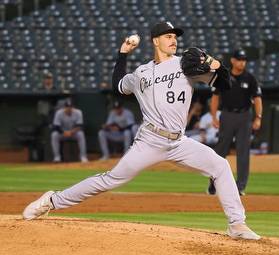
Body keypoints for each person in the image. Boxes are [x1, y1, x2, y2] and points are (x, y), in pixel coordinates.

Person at [22, 21, 260, 240]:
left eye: (175, 36)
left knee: (220, 166)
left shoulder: (186, 65)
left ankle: (237, 224)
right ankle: (51, 200)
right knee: (110, 180)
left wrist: (217, 66)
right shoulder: (140, 73)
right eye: (168, 36)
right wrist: (122, 54)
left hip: (179, 142)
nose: (173, 39)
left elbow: (225, 85)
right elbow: (118, 85)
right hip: (149, 140)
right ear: (155, 40)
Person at [207, 48, 263, 196]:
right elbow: (215, 97)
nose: (242, 63)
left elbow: (257, 99)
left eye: (244, 60)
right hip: (227, 115)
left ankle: (241, 187)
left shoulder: (250, 78)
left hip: (244, 116)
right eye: (239, 59)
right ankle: (213, 183)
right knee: (220, 151)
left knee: (243, 152)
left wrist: (258, 117)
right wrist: (213, 116)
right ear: (232, 60)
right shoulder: (223, 77)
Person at [50, 99, 88, 163]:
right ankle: (57, 157)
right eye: (67, 107)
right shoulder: (59, 113)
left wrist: (71, 132)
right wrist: (64, 132)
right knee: (54, 135)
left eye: (70, 107)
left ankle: (83, 156)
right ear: (64, 107)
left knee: (81, 134)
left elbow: (80, 126)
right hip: (62, 133)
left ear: (73, 107)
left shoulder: (78, 112)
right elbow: (56, 126)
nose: (69, 108)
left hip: (74, 133)